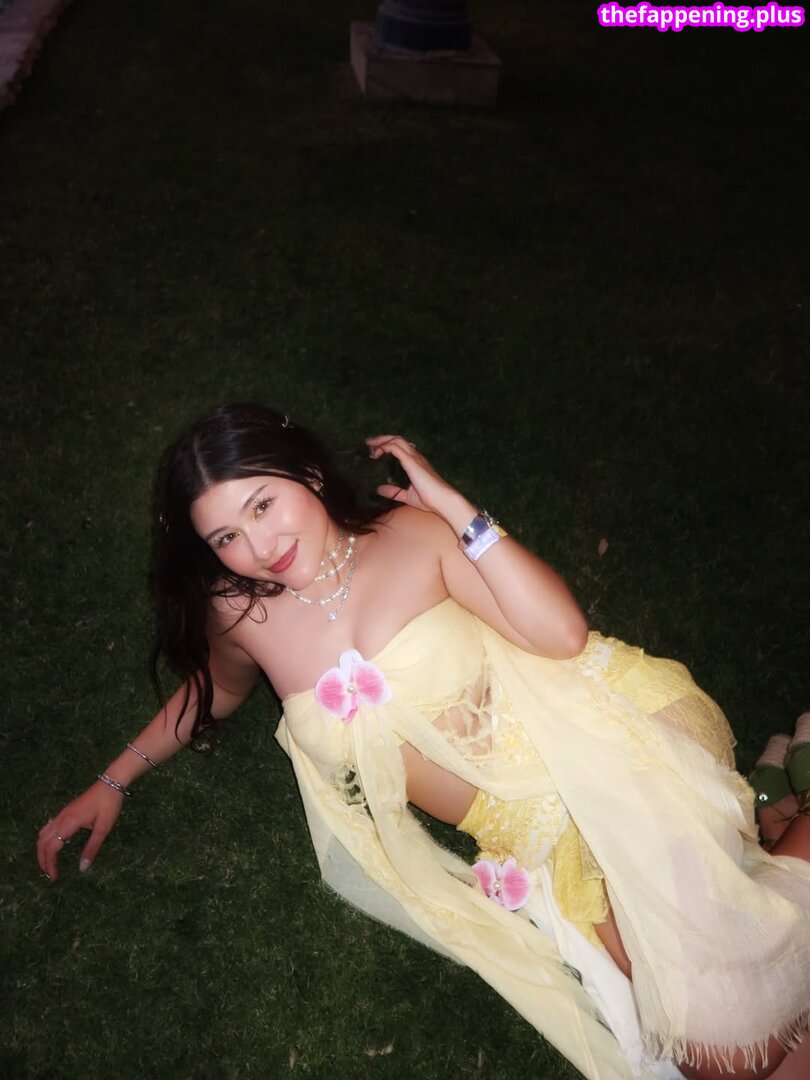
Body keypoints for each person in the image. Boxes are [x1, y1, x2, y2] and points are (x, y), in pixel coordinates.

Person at [37, 404, 810, 1080]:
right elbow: (220, 689)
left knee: (722, 1050)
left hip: (598, 745)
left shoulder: (412, 538)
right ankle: (781, 803)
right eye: (227, 536)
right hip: (533, 834)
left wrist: (456, 509)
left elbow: (564, 637)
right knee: (729, 1050)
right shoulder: (241, 612)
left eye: (264, 503)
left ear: (309, 473)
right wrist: (113, 779)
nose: (260, 546)